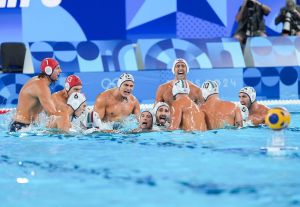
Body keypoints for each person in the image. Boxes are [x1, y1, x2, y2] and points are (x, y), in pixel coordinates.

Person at [9, 57, 62, 132]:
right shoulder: (42, 87)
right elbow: (52, 113)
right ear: (48, 70)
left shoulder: (38, 81)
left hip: (19, 126)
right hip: (21, 128)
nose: (60, 71)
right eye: (57, 68)